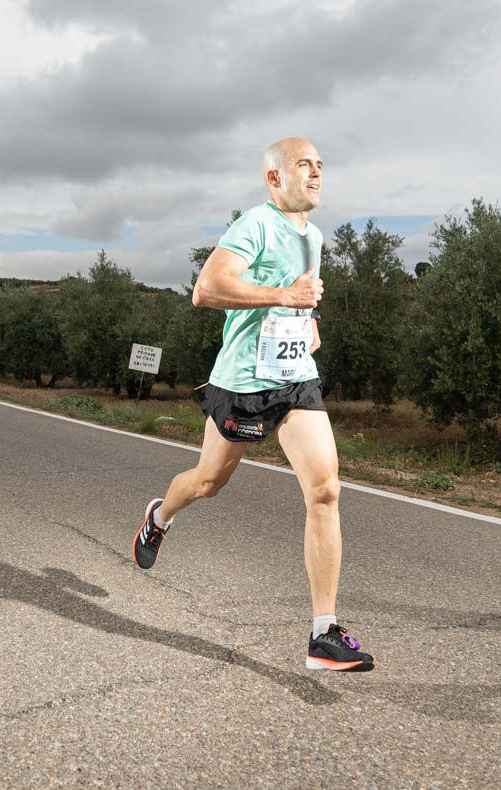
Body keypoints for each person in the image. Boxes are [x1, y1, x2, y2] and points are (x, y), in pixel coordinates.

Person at [132, 137, 373, 672]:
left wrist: (309, 324)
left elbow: (301, 296)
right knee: (208, 482)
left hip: (295, 380)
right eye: (303, 165)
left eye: (320, 167)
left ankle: (323, 633)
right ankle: (159, 516)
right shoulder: (254, 225)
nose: (315, 174)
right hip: (243, 381)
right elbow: (208, 288)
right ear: (273, 178)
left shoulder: (315, 237)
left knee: (325, 489)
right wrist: (283, 297)